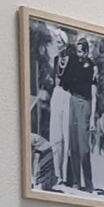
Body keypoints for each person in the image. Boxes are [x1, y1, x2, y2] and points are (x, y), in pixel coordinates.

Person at [65, 36, 98, 192]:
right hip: (72, 100)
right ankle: (77, 182)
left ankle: (89, 184)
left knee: (84, 148)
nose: (78, 54)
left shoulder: (93, 68)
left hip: (85, 104)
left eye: (80, 51)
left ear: (86, 52)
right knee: (73, 145)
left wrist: (92, 119)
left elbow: (94, 95)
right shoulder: (74, 63)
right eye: (77, 51)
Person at [48, 29, 70, 185]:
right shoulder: (56, 60)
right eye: (56, 41)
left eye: (59, 41)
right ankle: (57, 174)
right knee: (56, 136)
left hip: (67, 95)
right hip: (56, 95)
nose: (57, 44)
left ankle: (65, 175)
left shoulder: (72, 61)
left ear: (65, 44)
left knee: (65, 136)